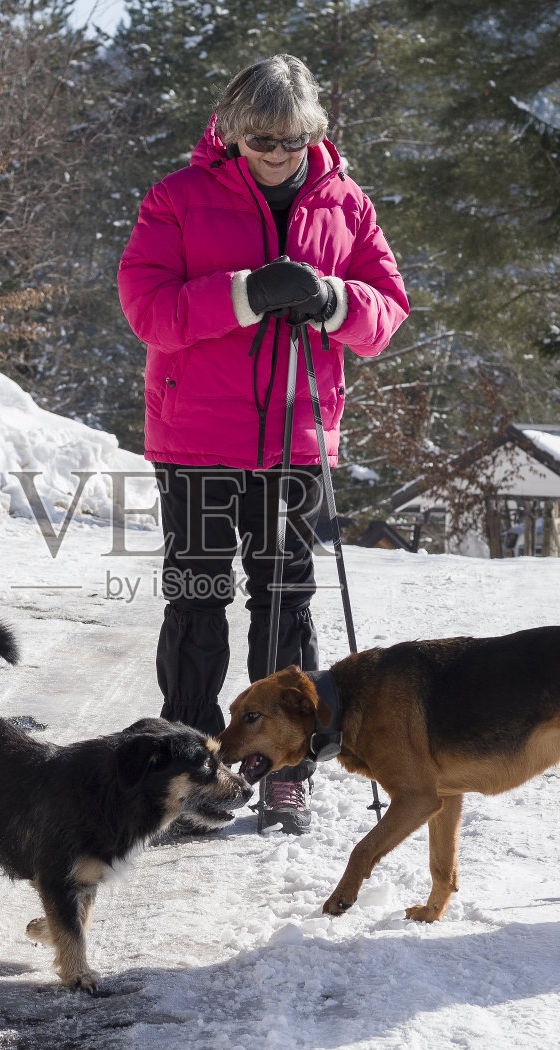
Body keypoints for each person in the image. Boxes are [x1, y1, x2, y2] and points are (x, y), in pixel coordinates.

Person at [118, 54, 408, 834]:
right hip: (198, 439)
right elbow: (148, 308)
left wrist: (333, 296)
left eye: (291, 139)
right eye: (260, 140)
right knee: (198, 601)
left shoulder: (346, 203)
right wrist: (248, 293)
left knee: (286, 609)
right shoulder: (177, 199)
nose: (277, 154)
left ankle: (286, 767)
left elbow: (385, 313)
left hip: (296, 438)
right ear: (232, 131)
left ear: (314, 132)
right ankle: (186, 769)